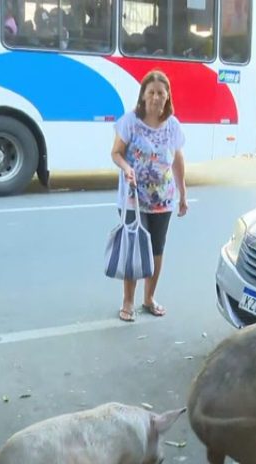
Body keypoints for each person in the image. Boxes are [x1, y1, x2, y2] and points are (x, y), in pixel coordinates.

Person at [110, 69, 187, 322]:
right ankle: (128, 301)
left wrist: (183, 194)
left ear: (167, 97)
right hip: (134, 199)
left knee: (156, 250)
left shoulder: (173, 126)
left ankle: (149, 298)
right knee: (133, 249)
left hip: (163, 201)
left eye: (160, 93)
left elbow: (177, 160)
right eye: (151, 92)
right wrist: (127, 168)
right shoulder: (130, 121)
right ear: (143, 95)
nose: (155, 97)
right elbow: (116, 153)